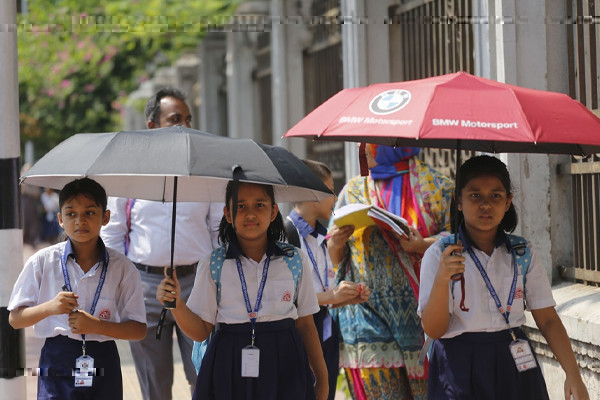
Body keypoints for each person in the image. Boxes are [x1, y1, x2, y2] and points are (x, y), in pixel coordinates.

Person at [418, 155, 589, 400]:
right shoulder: (440, 254)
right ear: (458, 201)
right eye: (475, 195)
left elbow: (548, 319)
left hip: (515, 363)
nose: (485, 204)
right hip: (458, 365)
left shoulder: (522, 252)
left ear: (508, 201)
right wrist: (442, 279)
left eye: (496, 195)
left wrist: (573, 374)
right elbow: (433, 329)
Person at [100, 87, 223, 400]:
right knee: (154, 382)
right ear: (152, 126)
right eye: (175, 119)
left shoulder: (204, 172)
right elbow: (113, 233)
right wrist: (118, 284)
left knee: (204, 373)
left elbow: (218, 229)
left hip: (196, 285)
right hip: (144, 286)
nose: (185, 126)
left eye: (188, 119)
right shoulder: (130, 174)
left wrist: (217, 278)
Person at [156, 181, 329, 400]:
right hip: (228, 366)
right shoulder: (213, 264)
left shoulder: (294, 259)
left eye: (259, 205)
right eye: (241, 206)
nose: (250, 214)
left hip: (286, 363)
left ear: (274, 211)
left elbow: (305, 324)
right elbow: (200, 331)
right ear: (227, 213)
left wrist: (322, 380)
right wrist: (177, 305)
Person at [327, 144, 454, 400]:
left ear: (396, 143)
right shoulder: (353, 190)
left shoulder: (438, 187)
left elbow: (458, 241)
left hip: (421, 318)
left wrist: (421, 245)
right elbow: (336, 257)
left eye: (373, 142)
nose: (364, 149)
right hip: (365, 317)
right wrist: (335, 244)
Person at [8, 178, 146, 400]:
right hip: (57, 360)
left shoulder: (122, 268)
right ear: (61, 219)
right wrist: (50, 308)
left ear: (106, 217)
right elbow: (15, 319)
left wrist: (95, 325)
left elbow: (138, 330)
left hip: (103, 360)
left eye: (90, 213)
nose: (80, 220)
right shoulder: (42, 261)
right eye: (71, 214)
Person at [285, 159, 371, 400]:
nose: (335, 197)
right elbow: (287, 298)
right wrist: (331, 296)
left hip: (327, 332)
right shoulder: (287, 234)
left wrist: (345, 298)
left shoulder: (323, 236)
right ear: (311, 192)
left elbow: (324, 293)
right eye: (329, 190)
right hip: (301, 333)